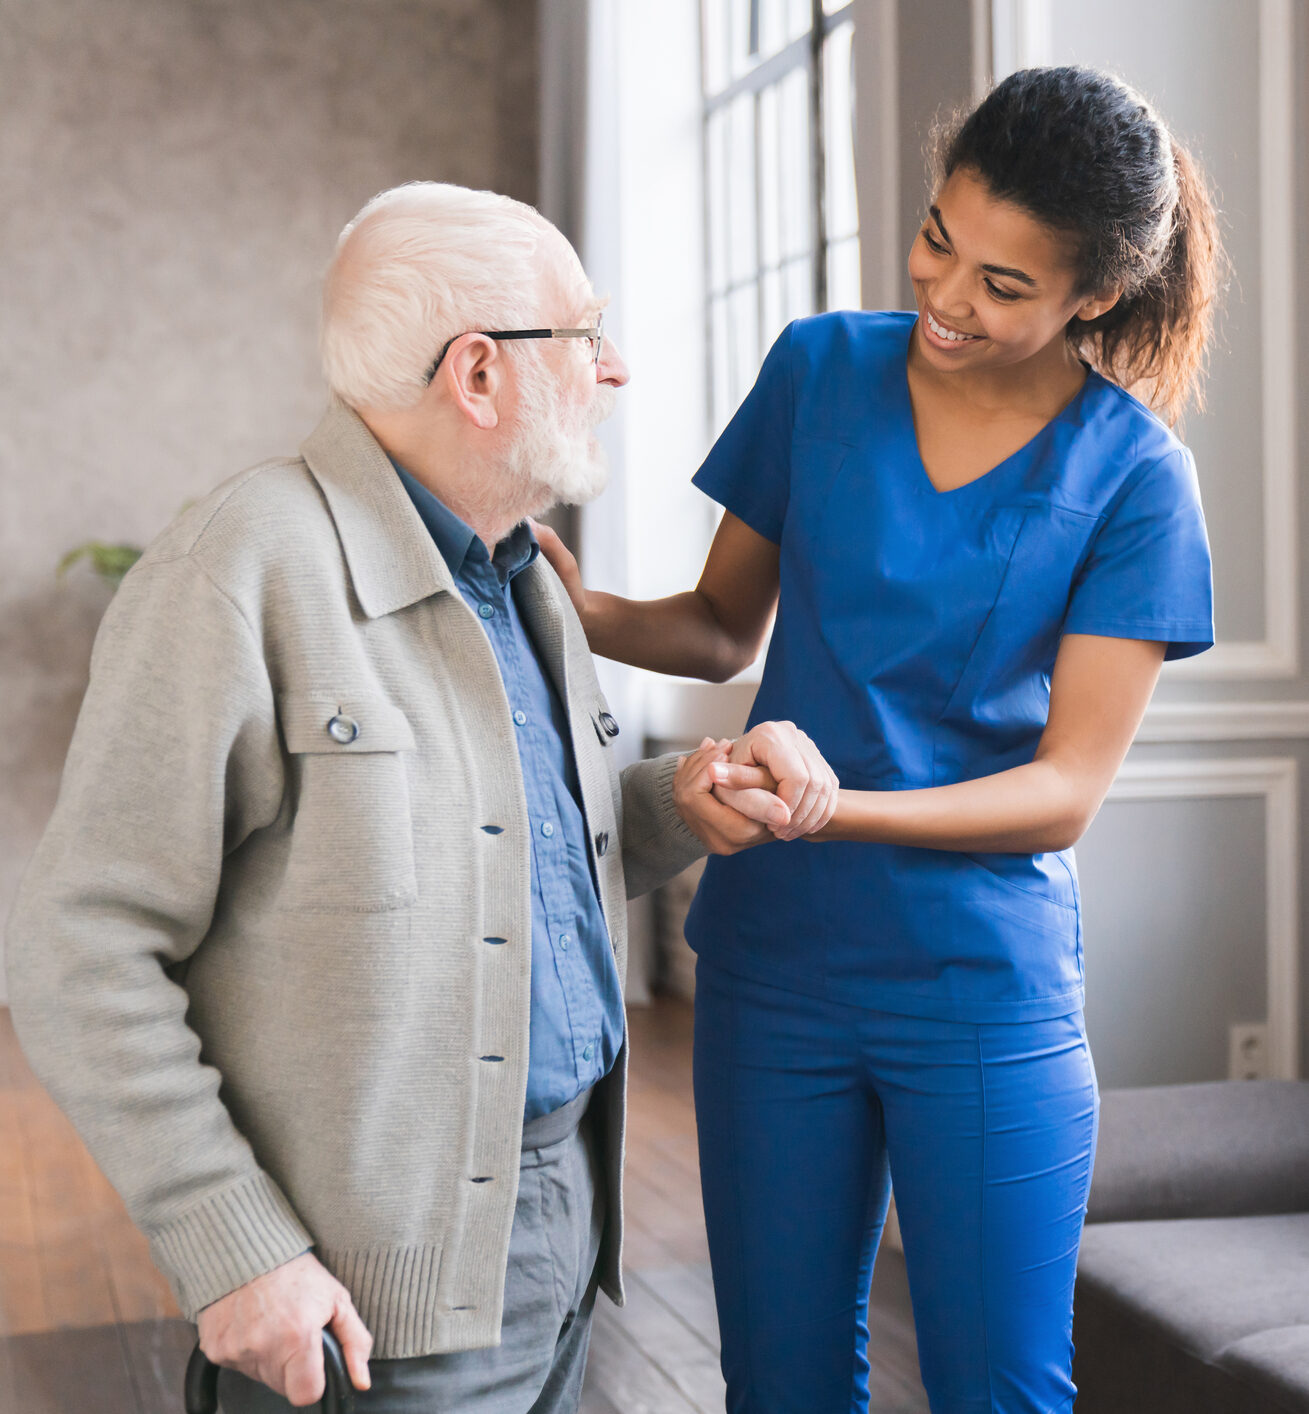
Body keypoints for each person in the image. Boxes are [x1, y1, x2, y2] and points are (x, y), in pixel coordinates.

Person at [4, 181, 839, 1413]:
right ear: (479, 375)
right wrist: (239, 1253)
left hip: (565, 1230)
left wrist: (677, 800)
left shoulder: (528, 580)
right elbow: (82, 950)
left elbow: (508, 850)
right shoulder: (237, 567)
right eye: (585, 334)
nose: (613, 371)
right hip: (361, 1308)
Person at [537, 67, 1221, 1414]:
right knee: (780, 1385)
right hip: (771, 968)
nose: (948, 299)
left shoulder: (1137, 477)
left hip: (980, 988)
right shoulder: (819, 367)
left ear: (1092, 295)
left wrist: (828, 807)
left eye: (1005, 286)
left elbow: (1061, 792)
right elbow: (724, 627)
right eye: (936, 239)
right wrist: (581, 606)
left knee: (998, 1392)